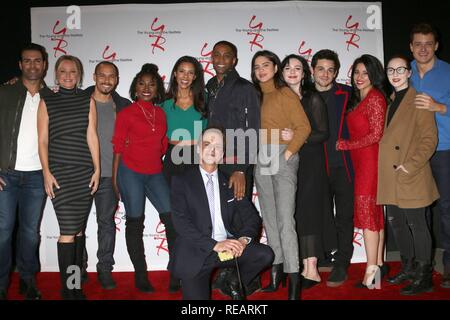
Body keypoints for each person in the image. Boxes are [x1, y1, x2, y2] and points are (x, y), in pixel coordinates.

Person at [169, 126, 274, 300]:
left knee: (265, 254)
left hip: (227, 252)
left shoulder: (231, 182)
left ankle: (232, 281)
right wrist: (214, 245)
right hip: (197, 252)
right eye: (207, 143)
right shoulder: (182, 181)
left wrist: (242, 240)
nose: (212, 148)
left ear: (222, 153)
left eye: (218, 145)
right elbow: (181, 223)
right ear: (198, 149)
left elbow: (252, 218)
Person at [37, 55, 100, 300]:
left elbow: (91, 136)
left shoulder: (88, 99)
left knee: (78, 232)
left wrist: (97, 169)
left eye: (72, 71)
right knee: (68, 230)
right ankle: (68, 289)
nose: (67, 75)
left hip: (84, 172)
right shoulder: (47, 101)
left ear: (79, 74)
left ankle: (75, 285)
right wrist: (46, 172)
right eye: (63, 71)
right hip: (60, 174)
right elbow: (42, 140)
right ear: (56, 74)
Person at [252, 50, 311, 299]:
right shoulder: (254, 97)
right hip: (261, 157)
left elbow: (304, 127)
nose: (261, 70)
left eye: (266, 65)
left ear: (276, 68)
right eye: (257, 67)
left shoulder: (285, 93)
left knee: (286, 221)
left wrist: (287, 155)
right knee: (271, 219)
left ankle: (294, 281)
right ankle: (276, 275)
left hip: (282, 156)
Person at [378, 54, 439, 295]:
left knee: (417, 225)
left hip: (410, 174)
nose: (395, 74)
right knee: (398, 226)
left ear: (409, 72)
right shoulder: (392, 100)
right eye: (391, 70)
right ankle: (409, 267)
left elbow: (429, 139)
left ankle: (424, 277)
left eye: (400, 69)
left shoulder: (420, 100)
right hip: (391, 176)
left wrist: (410, 165)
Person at [206, 40, 261, 296]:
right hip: (216, 163)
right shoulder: (210, 87)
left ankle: (245, 278)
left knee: (241, 219)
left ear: (234, 60)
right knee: (224, 219)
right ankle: (229, 273)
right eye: (216, 54)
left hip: (237, 164)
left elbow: (252, 130)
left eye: (227, 55)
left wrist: (241, 168)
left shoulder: (244, 87)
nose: (221, 59)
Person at [112, 63, 171, 293]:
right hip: (130, 172)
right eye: (141, 83)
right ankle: (141, 274)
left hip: (155, 172)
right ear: (135, 88)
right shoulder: (126, 113)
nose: (146, 88)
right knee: (135, 222)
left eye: (151, 84)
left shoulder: (161, 113)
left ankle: (176, 269)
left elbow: (163, 143)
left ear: (157, 90)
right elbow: (117, 146)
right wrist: (116, 179)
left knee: (172, 218)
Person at [0, 43, 50, 300]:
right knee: (3, 231)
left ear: (44, 64)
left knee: (30, 233)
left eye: (37, 60)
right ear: (20, 65)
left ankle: (27, 280)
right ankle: (1, 282)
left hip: (36, 176)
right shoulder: (5, 93)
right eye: (27, 61)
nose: (32, 65)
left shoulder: (51, 97)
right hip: (5, 174)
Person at [280, 54, 334, 289]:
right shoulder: (275, 99)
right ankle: (295, 265)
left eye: (297, 68)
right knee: (290, 215)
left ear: (304, 73)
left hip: (309, 163)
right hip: (283, 162)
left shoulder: (312, 99)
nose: (292, 71)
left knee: (308, 213)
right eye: (287, 67)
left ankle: (311, 269)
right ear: (281, 72)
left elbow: (323, 133)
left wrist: (297, 137)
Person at [336, 54, 388, 288]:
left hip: (370, 162)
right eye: (356, 72)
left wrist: (347, 145)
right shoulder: (359, 98)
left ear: (374, 75)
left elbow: (376, 135)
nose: (359, 77)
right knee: (374, 215)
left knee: (369, 217)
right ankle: (378, 266)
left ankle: (371, 272)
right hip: (360, 162)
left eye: (365, 73)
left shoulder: (375, 98)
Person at [82, 61, 131, 290]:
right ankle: (78, 268)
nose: (106, 80)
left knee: (106, 224)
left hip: (110, 176)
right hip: (81, 174)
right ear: (94, 76)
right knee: (76, 226)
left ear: (117, 79)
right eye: (102, 75)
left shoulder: (123, 105)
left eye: (111, 76)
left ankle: (104, 269)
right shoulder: (79, 100)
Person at [161, 56, 208, 292]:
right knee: (174, 220)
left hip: (196, 160)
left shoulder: (204, 102)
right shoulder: (164, 104)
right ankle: (175, 270)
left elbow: (209, 135)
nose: (186, 76)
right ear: (175, 74)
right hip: (172, 161)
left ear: (196, 76)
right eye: (182, 71)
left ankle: (195, 268)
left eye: (191, 72)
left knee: (197, 219)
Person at [409, 23, 450, 289]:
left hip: (444, 149)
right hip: (413, 153)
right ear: (411, 47)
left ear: (436, 46)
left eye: (428, 44)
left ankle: (448, 263)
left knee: (447, 208)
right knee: (417, 210)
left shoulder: (448, 72)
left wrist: (440, 107)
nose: (423, 49)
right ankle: (421, 263)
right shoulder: (403, 71)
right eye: (418, 44)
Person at [311, 49, 354, 287]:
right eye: (321, 69)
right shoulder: (303, 96)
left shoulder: (348, 93)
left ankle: (342, 262)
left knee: (344, 217)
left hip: (343, 166)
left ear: (336, 72)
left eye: (330, 70)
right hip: (316, 168)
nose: (325, 74)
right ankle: (325, 255)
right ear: (312, 70)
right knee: (319, 215)